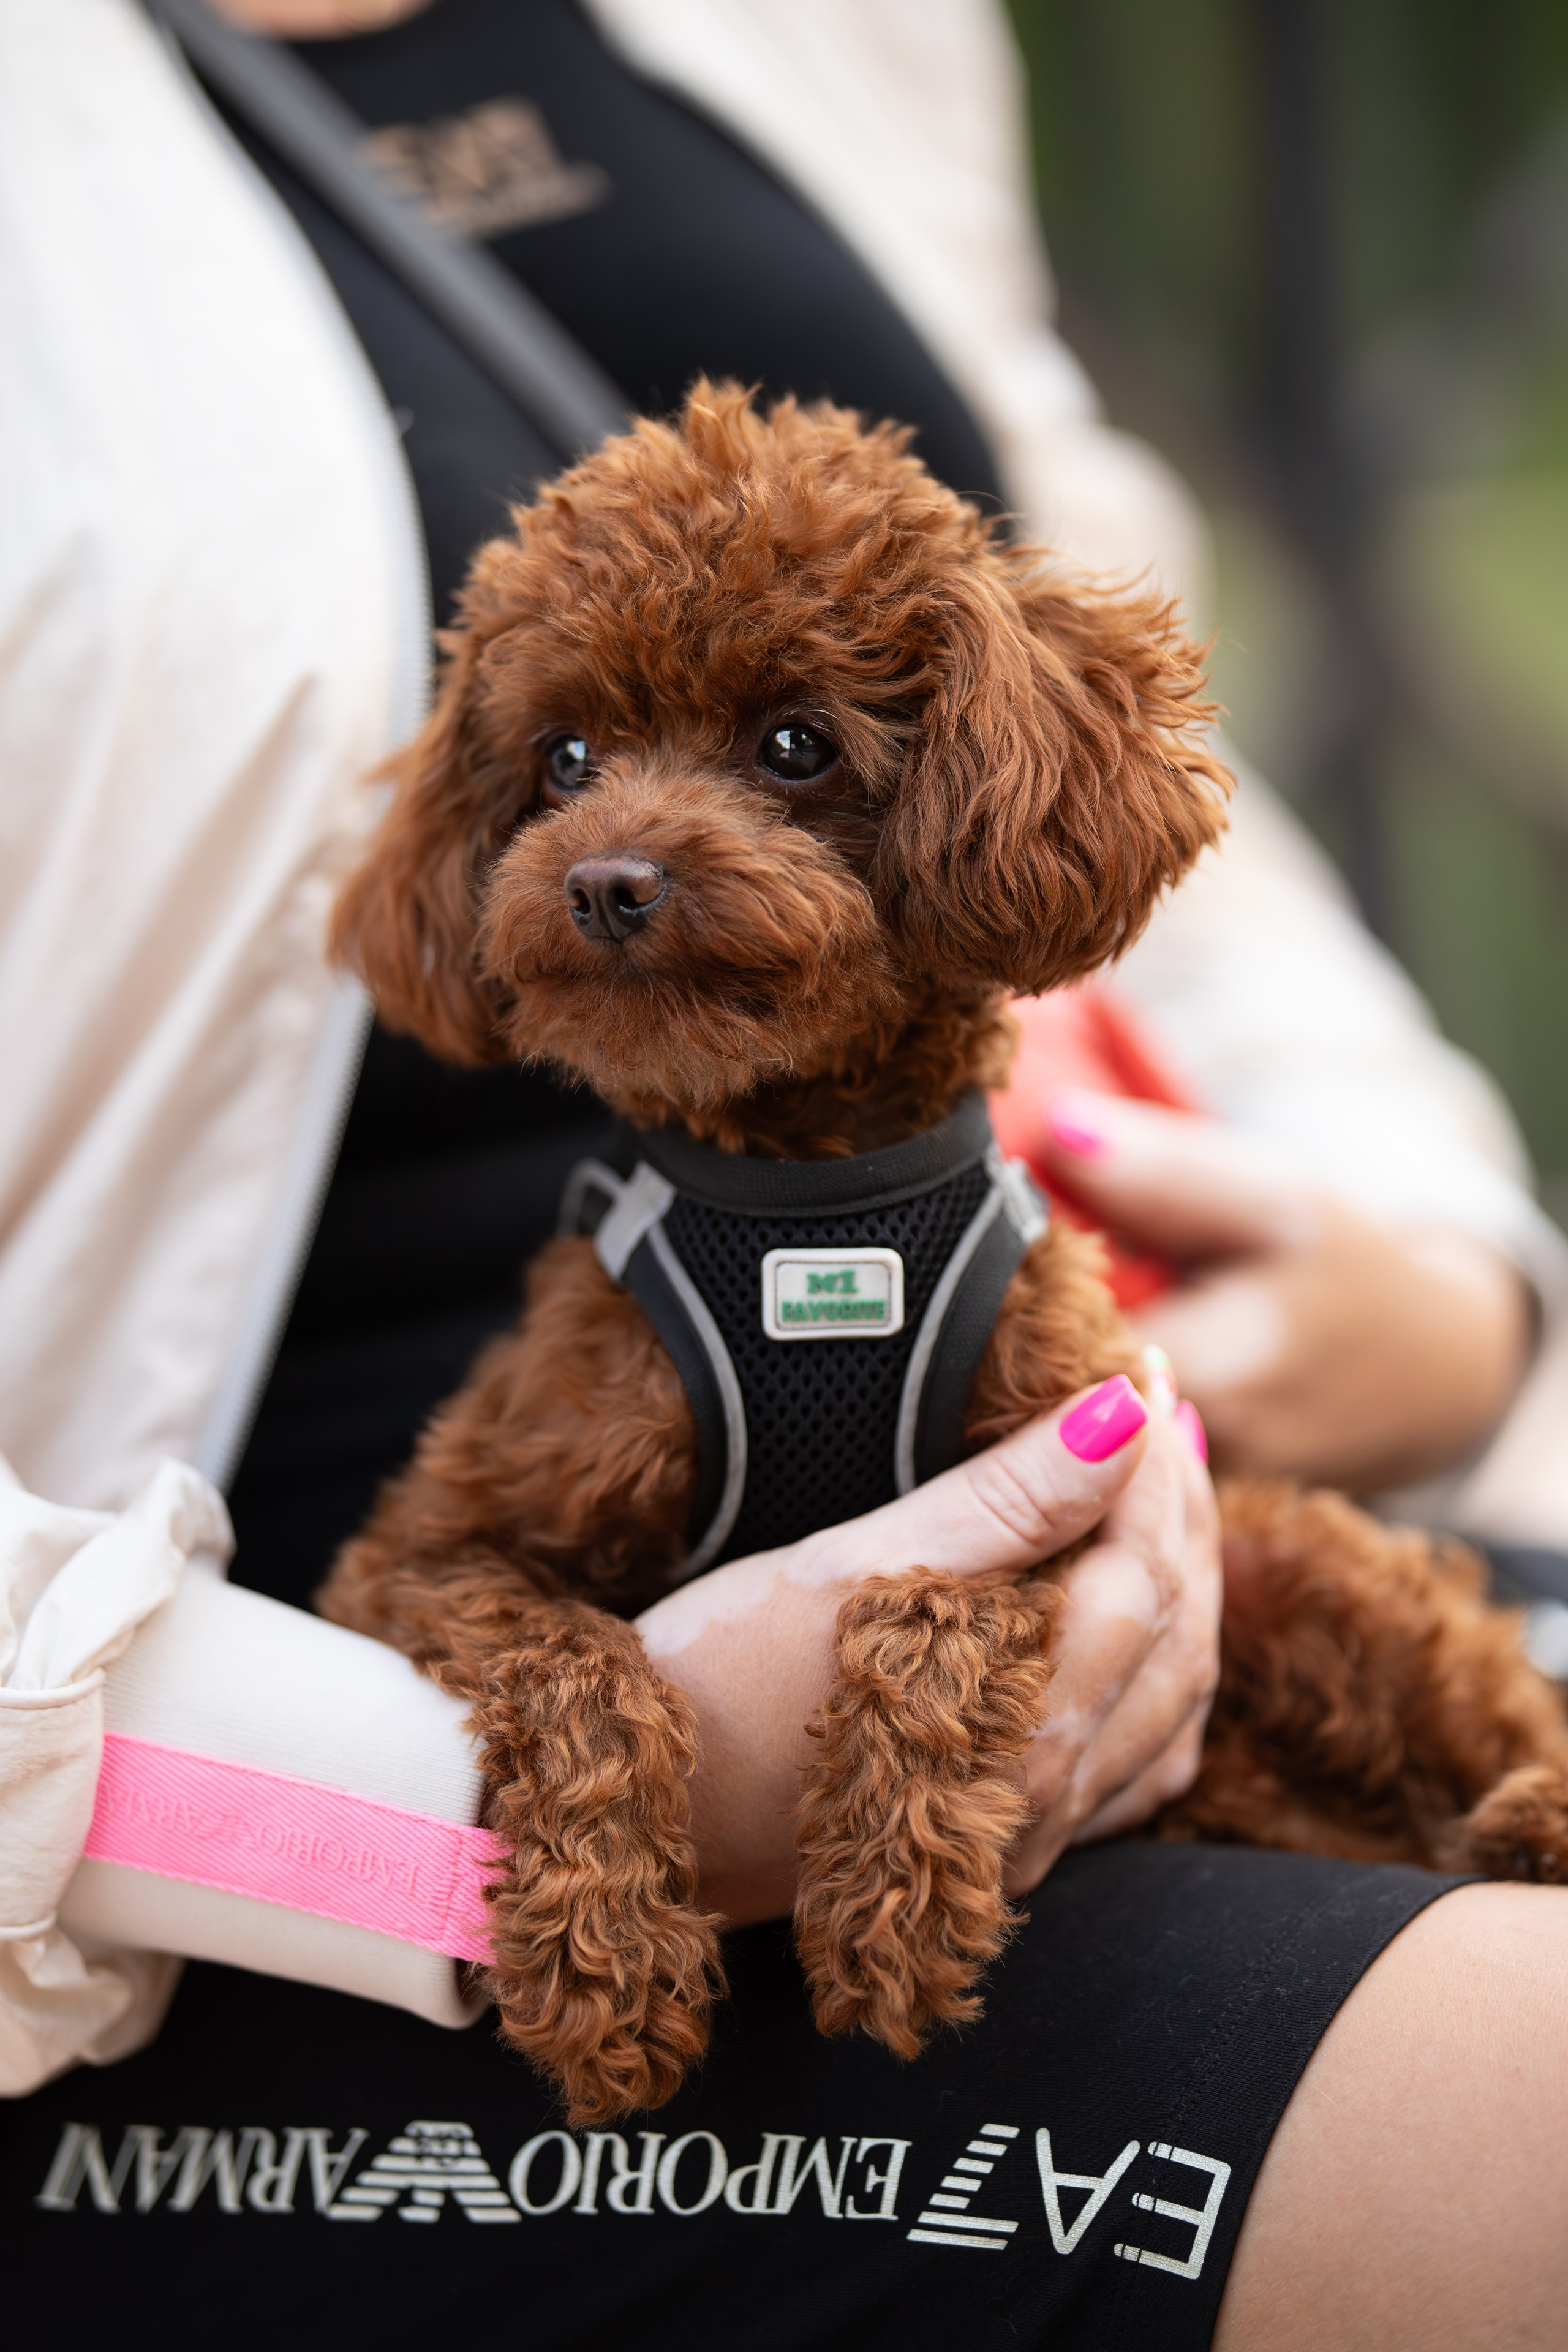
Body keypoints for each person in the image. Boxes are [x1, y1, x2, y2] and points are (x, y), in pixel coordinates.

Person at [1, 2, 1565, 2346]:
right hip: (198, 1833)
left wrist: (1436, 1274)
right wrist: (444, 1817)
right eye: (571, 772)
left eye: (788, 751)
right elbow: (432, 1635)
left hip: (1124, 1489)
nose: (625, 856)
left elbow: (1152, 728)